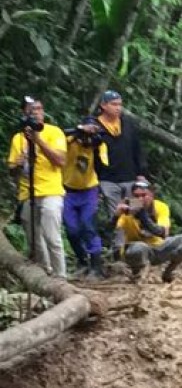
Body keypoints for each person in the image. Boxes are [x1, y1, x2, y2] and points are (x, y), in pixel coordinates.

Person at [7, 96, 67, 278]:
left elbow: (60, 160)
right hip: (27, 193)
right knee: (34, 239)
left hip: (51, 191)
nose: (37, 113)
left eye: (40, 109)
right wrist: (17, 165)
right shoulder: (18, 139)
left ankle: (61, 275)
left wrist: (38, 140)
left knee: (52, 236)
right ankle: (44, 273)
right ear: (24, 113)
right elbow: (12, 171)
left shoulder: (54, 132)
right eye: (32, 110)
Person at [115, 178, 182, 283]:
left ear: (151, 195)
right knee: (138, 248)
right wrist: (116, 215)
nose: (140, 199)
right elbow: (110, 229)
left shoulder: (160, 206)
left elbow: (163, 233)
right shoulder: (128, 209)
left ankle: (169, 272)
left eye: (144, 195)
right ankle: (137, 274)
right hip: (136, 250)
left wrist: (142, 215)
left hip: (158, 246)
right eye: (136, 196)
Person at [62, 115, 108, 279]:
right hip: (67, 191)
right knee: (72, 230)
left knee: (88, 226)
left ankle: (96, 265)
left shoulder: (98, 144)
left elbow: (103, 164)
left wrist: (94, 140)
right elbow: (60, 140)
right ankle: (82, 260)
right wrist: (79, 133)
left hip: (89, 190)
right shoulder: (69, 141)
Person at [95, 90, 146, 220]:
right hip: (108, 179)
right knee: (116, 216)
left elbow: (137, 149)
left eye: (119, 104)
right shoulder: (96, 126)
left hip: (130, 178)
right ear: (103, 105)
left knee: (136, 212)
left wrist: (141, 173)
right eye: (114, 104)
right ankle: (118, 241)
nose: (118, 108)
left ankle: (137, 238)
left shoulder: (127, 123)